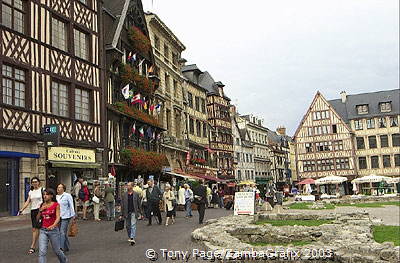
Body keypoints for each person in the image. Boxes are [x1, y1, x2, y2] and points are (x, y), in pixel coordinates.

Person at [38, 188, 67, 263]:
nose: (45, 196)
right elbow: (37, 219)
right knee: (42, 252)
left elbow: (58, 217)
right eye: (44, 194)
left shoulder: (56, 205)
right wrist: (40, 210)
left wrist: (53, 225)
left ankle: (64, 261)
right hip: (43, 230)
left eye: (47, 194)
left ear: (51, 196)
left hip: (53, 231)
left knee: (57, 251)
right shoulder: (42, 205)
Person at [19, 177, 43, 254]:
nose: (34, 183)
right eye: (33, 182)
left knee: (39, 228)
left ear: (39, 182)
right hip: (33, 211)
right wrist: (22, 209)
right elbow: (28, 201)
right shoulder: (31, 192)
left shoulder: (42, 190)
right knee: (35, 229)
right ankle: (35, 245)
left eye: (36, 182)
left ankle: (32, 246)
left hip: (41, 211)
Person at [56, 184, 75, 252]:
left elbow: (71, 206)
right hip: (58, 217)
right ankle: (66, 247)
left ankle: (61, 248)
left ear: (63, 189)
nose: (58, 188)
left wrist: (73, 216)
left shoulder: (67, 196)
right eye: (57, 187)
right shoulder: (56, 197)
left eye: (60, 187)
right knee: (60, 232)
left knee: (62, 232)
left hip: (65, 216)